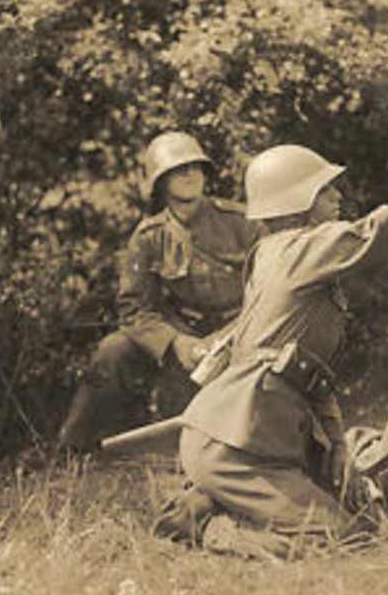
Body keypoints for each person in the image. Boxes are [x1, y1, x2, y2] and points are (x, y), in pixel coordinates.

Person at [157, 112, 388, 557]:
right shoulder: (302, 249)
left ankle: (216, 502)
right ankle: (209, 525)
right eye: (325, 190)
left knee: (363, 515)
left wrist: (334, 446)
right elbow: (387, 226)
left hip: (255, 439)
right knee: (342, 540)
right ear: (298, 202)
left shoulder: (275, 254)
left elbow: (305, 371)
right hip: (235, 450)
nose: (336, 197)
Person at [54, 131, 256, 456]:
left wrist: (226, 336)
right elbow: (134, 309)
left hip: (242, 331)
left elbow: (271, 287)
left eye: (196, 166)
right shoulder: (148, 237)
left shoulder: (241, 222)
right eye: (179, 169)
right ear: (160, 182)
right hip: (184, 340)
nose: (190, 174)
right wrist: (177, 343)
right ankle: (72, 450)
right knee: (112, 350)